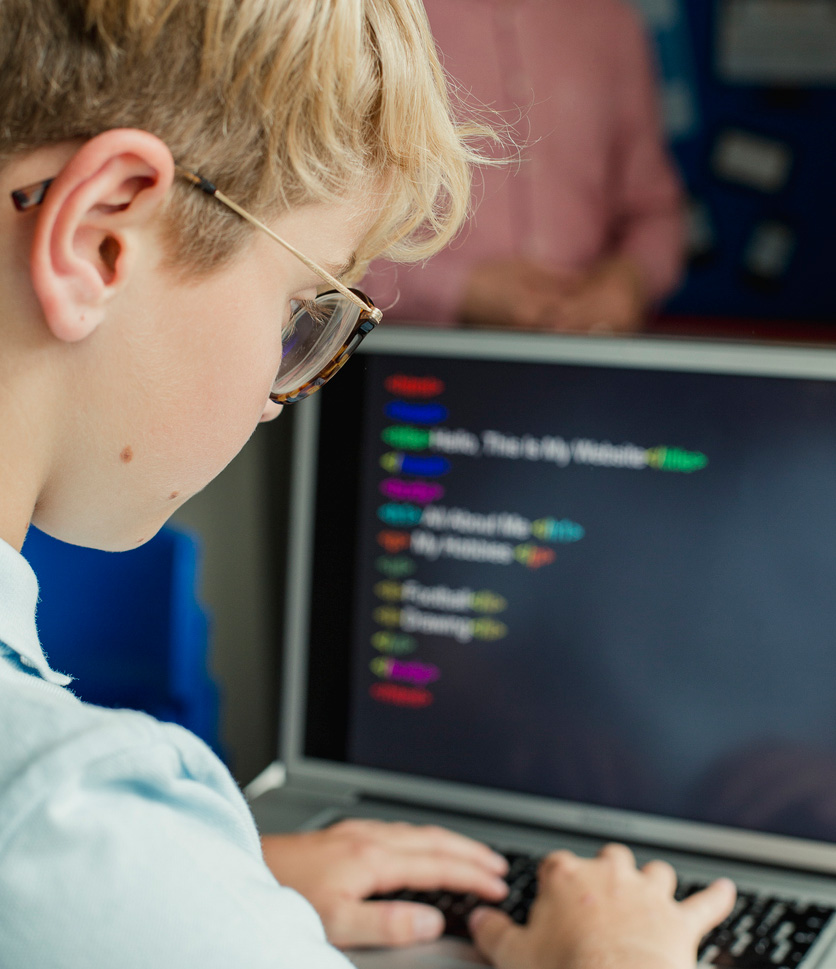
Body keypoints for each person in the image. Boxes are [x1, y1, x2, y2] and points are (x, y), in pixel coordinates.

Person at [0, 1, 734, 967]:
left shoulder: (104, 860)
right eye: (306, 304)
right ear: (100, 237)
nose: (284, 392)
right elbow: (73, 871)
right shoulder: (74, 826)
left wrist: (216, 884)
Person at [369, 0, 685, 332]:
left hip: (582, 355)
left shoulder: (614, 22)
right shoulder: (378, 14)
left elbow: (655, 211)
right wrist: (456, 289)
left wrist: (630, 281)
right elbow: (321, 228)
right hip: (409, 355)